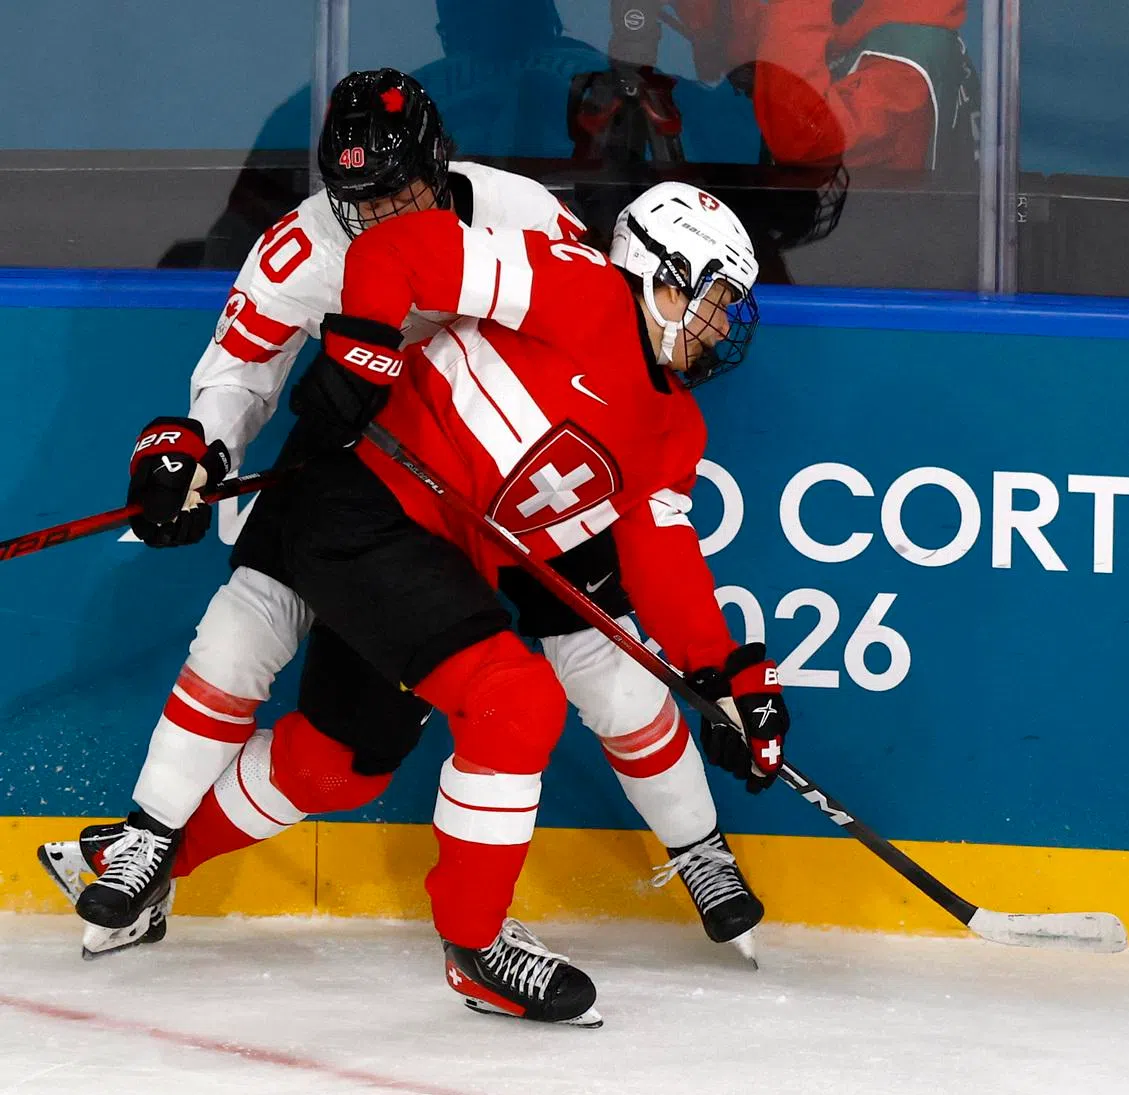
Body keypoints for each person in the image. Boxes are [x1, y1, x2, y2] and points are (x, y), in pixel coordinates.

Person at [39, 74, 767, 965]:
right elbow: (239, 372)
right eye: (357, 198)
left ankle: (697, 850)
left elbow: (591, 357)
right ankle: (149, 836)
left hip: (505, 498)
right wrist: (201, 452)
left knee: (579, 689)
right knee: (243, 637)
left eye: (398, 190)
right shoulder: (298, 250)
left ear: (438, 161)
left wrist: (727, 669)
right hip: (359, 457)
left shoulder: (522, 211)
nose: (377, 212)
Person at [166, 179, 787, 1025]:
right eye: (715, 300)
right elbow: (399, 251)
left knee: (338, 764)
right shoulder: (577, 284)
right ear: (661, 278)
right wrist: (362, 349)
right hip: (361, 500)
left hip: (434, 564)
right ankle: (477, 949)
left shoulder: (676, 430)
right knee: (516, 701)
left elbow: (663, 556)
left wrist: (728, 675)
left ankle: (155, 869)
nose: (721, 327)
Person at [674, 0, 980, 177]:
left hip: (870, 268)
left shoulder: (908, 63)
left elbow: (801, 140)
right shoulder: (859, 16)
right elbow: (730, 52)